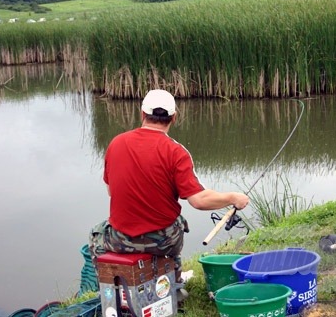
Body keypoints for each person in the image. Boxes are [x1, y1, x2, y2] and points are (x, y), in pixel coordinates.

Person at [88, 89, 249, 285]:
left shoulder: (116, 143)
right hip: (163, 241)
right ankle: (175, 279)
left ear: (142, 114)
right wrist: (233, 198)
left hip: (121, 239)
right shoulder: (176, 152)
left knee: (95, 234)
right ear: (174, 118)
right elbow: (198, 200)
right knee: (177, 223)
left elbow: (111, 191)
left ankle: (107, 286)